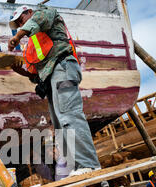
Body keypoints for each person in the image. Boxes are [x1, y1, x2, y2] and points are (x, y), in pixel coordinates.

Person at [8, 4, 101, 176]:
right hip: (51, 79)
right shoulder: (33, 45)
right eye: (18, 25)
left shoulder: (46, 13)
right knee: (59, 124)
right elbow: (36, 76)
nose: (21, 26)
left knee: (70, 115)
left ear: (29, 12)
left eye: (21, 20)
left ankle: (89, 164)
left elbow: (38, 20)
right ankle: (77, 166)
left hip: (63, 68)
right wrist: (19, 70)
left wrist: (17, 37)